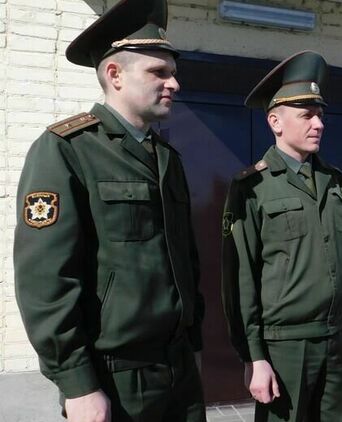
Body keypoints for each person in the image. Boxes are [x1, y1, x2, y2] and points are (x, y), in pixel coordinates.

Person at [13, 0, 205, 420]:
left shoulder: (167, 158)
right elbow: (46, 279)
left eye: (173, 72)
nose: (174, 84)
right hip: (116, 378)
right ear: (115, 75)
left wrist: (193, 345)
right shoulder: (67, 149)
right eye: (159, 72)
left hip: (179, 370)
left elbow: (185, 260)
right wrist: (77, 382)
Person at [221, 50, 342, 422]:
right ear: (275, 121)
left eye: (320, 114)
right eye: (306, 115)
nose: (318, 124)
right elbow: (241, 280)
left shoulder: (335, 181)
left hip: (334, 339)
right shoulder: (252, 186)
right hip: (283, 347)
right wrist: (253, 357)